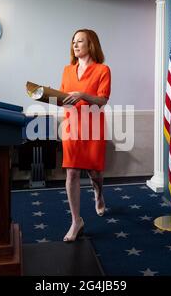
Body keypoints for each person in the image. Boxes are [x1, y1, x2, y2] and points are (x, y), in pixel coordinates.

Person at [59, 29, 111, 242]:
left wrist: (82, 96)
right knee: (71, 172)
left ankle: (98, 193)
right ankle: (76, 221)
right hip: (71, 125)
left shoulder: (103, 70)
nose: (75, 45)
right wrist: (51, 97)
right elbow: (62, 97)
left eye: (80, 41)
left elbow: (103, 100)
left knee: (94, 172)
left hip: (93, 126)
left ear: (91, 45)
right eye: (73, 42)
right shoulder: (67, 70)